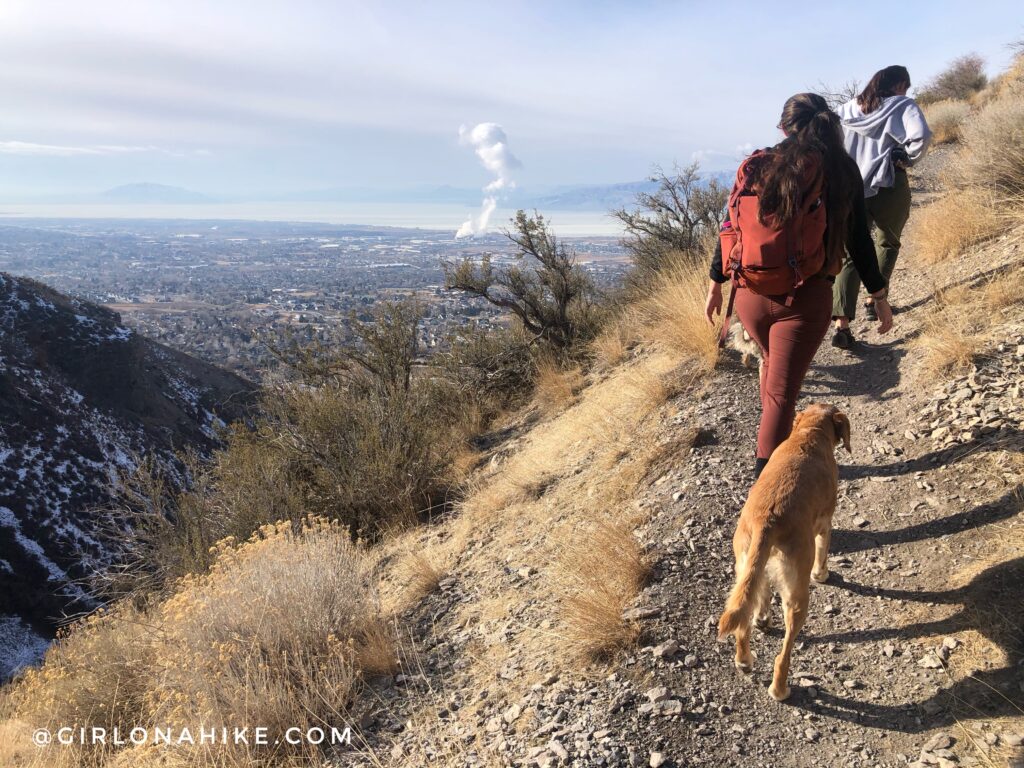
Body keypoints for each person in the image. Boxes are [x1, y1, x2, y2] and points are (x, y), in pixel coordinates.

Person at [705, 93, 893, 478]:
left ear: (783, 128)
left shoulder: (759, 165)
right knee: (780, 397)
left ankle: (773, 448)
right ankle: (765, 488)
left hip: (749, 295)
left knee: (774, 375)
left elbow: (730, 227)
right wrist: (879, 294)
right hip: (806, 297)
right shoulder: (840, 169)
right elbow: (859, 239)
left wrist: (715, 283)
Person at [831, 65, 931, 348]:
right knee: (888, 242)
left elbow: (832, 144)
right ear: (899, 85)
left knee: (852, 252)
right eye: (906, 87)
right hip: (889, 182)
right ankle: (875, 298)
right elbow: (921, 135)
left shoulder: (845, 110)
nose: (906, 92)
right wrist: (907, 157)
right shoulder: (902, 105)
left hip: (851, 189)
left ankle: (842, 323)